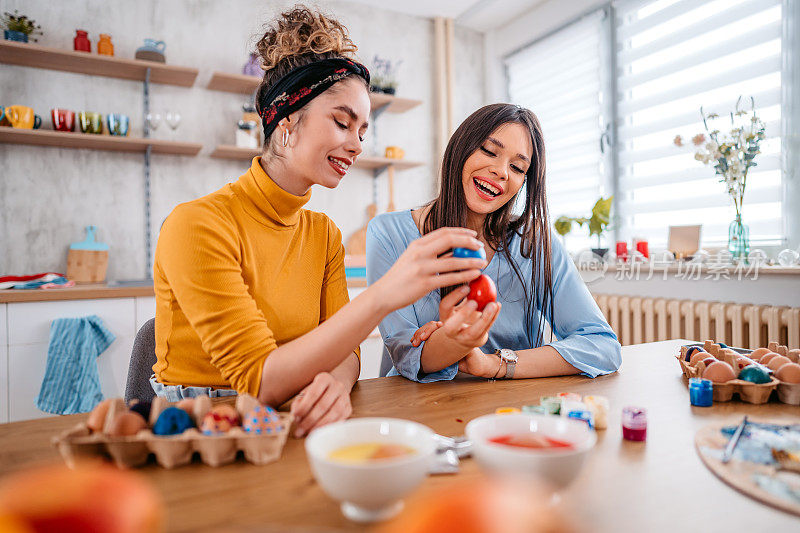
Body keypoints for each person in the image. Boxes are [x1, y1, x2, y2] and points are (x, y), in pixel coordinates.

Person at [151, 6, 486, 437]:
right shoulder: (197, 224)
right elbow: (260, 380)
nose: (356, 145)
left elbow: (346, 353)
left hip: (295, 418)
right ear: (287, 121)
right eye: (343, 123)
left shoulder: (322, 233)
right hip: (197, 433)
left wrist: (336, 381)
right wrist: (385, 294)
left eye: (362, 132)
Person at [366, 103, 621, 382]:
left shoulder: (534, 243)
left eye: (517, 167)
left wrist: (493, 364)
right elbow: (406, 354)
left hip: (510, 408)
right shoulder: (389, 234)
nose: (502, 171)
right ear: (460, 148)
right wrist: (456, 341)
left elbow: (602, 346)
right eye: (489, 151)